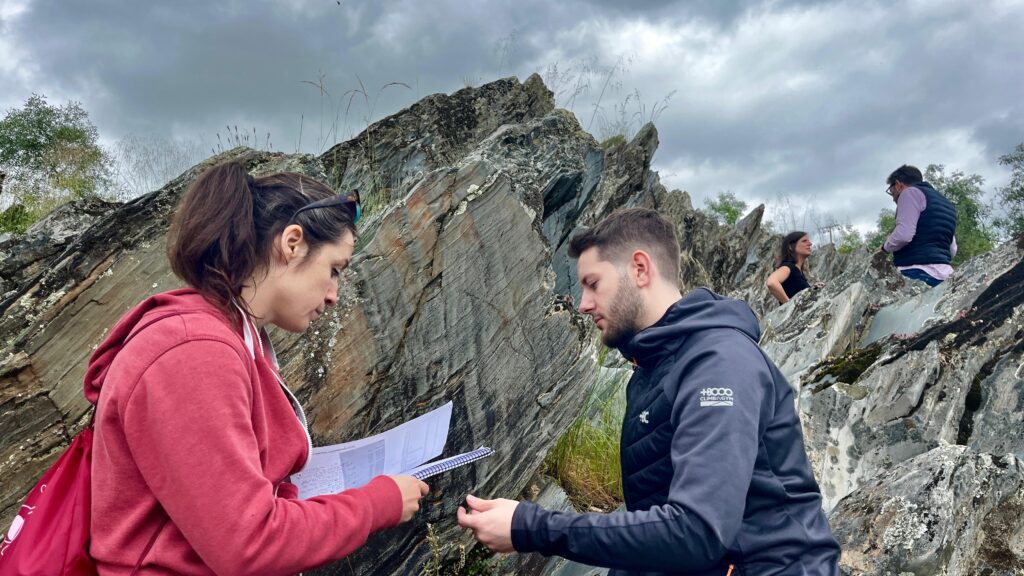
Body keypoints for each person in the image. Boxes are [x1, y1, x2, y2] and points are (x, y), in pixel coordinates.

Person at [457, 208, 840, 576]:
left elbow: (697, 530)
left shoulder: (719, 364)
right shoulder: (653, 367)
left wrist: (532, 527)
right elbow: (661, 523)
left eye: (593, 284)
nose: (583, 303)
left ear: (639, 269)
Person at [87, 162, 428, 574]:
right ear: (293, 243)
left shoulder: (236, 338)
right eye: (334, 270)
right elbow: (248, 544)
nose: (335, 294)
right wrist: (378, 503)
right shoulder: (191, 352)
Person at [879, 164, 958, 286]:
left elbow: (904, 235)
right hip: (946, 276)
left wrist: (884, 248)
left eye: (891, 190)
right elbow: (952, 249)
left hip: (915, 272)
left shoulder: (909, 193)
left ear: (899, 184)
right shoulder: (946, 204)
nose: (893, 198)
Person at [766, 231, 812, 304]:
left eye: (809, 241)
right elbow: (771, 282)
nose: (810, 244)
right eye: (804, 241)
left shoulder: (798, 271)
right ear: (790, 247)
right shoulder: (789, 267)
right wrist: (789, 305)